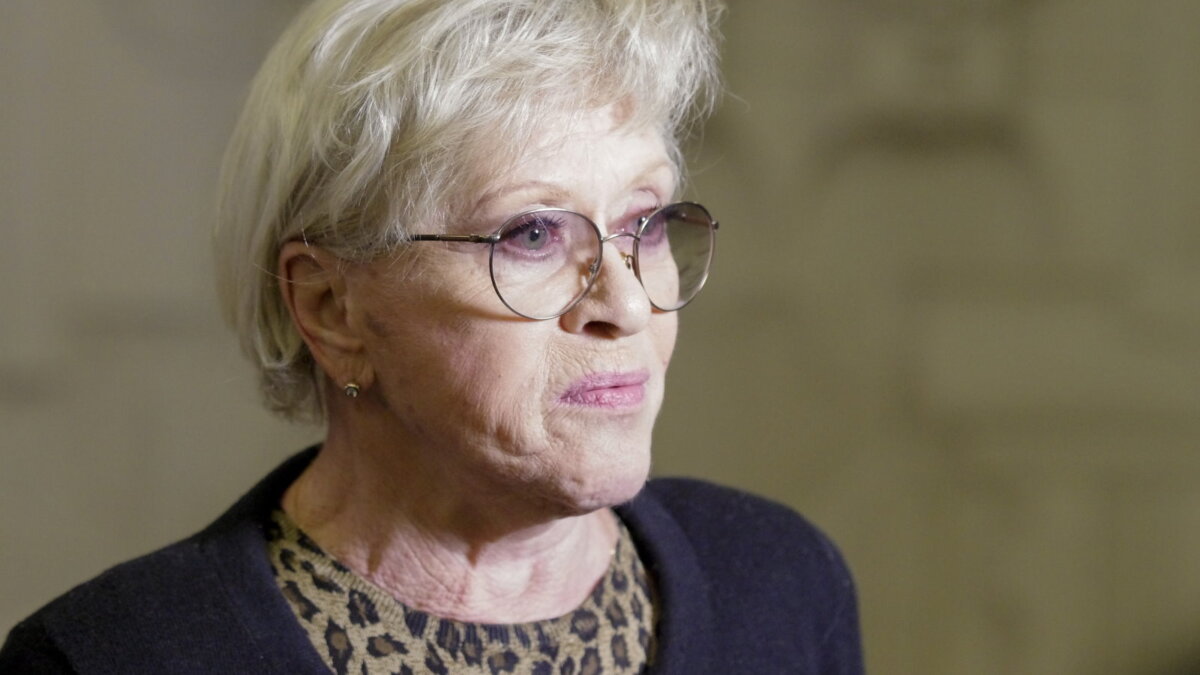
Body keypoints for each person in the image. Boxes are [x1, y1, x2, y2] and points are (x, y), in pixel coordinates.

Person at [0, 0, 864, 672]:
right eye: (532, 233)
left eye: (643, 223)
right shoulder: (107, 659)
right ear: (332, 309)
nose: (628, 305)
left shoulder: (781, 584)